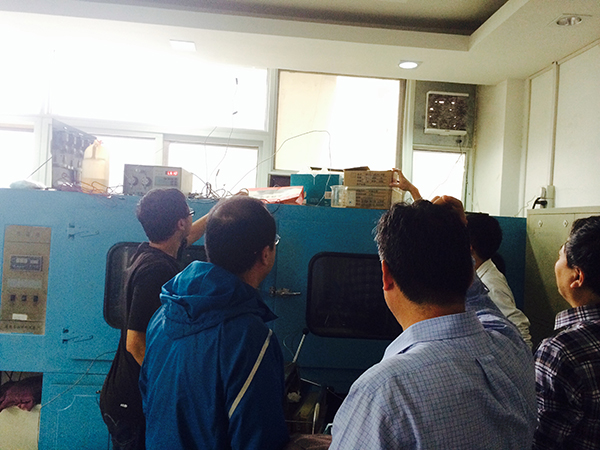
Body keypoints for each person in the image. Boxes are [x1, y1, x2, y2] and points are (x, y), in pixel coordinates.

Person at [329, 196, 537, 449]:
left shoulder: (384, 391)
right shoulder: (511, 344)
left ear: (386, 275)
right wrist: (459, 235)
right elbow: (484, 306)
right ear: (471, 273)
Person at [139, 195, 289, 450]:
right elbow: (258, 437)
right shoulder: (251, 339)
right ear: (265, 254)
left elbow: (149, 401)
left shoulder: (162, 316)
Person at [99, 188, 209, 450]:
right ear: (180, 223)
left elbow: (189, 235)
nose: (191, 219)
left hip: (125, 395)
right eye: (190, 214)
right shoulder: (156, 271)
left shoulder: (149, 252)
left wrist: (222, 210)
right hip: (132, 402)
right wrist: (172, 385)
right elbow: (135, 343)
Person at [532, 216, 600, 449]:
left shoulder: (560, 351)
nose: (556, 262)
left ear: (577, 277)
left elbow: (540, 440)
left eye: (560, 255)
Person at [467, 212, 532, 347]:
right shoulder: (480, 275)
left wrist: (520, 358)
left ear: (469, 247)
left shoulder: (491, 285)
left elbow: (520, 329)